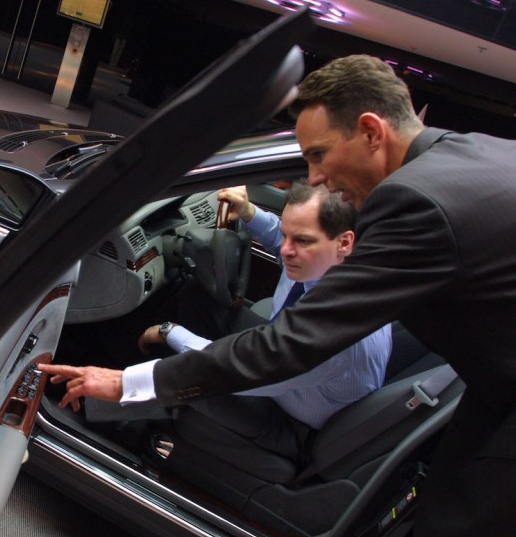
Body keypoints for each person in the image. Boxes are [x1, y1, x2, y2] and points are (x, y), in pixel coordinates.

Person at [40, 54, 516, 537]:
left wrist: (129, 380)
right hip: (493, 387)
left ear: (370, 131)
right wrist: (251, 218)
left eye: (318, 155)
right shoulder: (479, 153)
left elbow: (285, 346)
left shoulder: (413, 200)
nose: (315, 177)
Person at [134, 182, 390, 464]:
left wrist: (169, 332)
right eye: (286, 235)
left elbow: (238, 371)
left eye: (302, 241)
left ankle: (122, 426)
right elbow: (284, 243)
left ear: (344, 242)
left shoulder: (331, 331)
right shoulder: (336, 265)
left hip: (291, 422)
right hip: (288, 371)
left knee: (181, 375)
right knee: (196, 298)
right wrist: (248, 213)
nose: (286, 250)